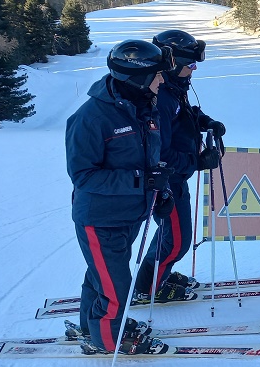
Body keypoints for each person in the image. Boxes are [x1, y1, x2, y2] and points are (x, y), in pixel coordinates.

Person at [65, 39, 175, 354]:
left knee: (101, 276)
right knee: (117, 288)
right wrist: (142, 180)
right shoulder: (91, 117)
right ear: (137, 77)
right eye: (156, 75)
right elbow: (84, 176)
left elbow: (149, 161)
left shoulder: (145, 109)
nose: (162, 80)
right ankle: (109, 340)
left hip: (129, 215)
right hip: (99, 218)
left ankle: (91, 327)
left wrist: (160, 189)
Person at [131, 29, 225, 303]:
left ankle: (158, 274)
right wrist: (197, 161)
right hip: (166, 182)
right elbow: (160, 153)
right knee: (178, 241)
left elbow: (185, 114)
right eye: (191, 65)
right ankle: (149, 289)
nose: (194, 70)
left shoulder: (172, 88)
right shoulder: (162, 99)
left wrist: (205, 121)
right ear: (173, 65)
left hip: (175, 178)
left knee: (171, 235)